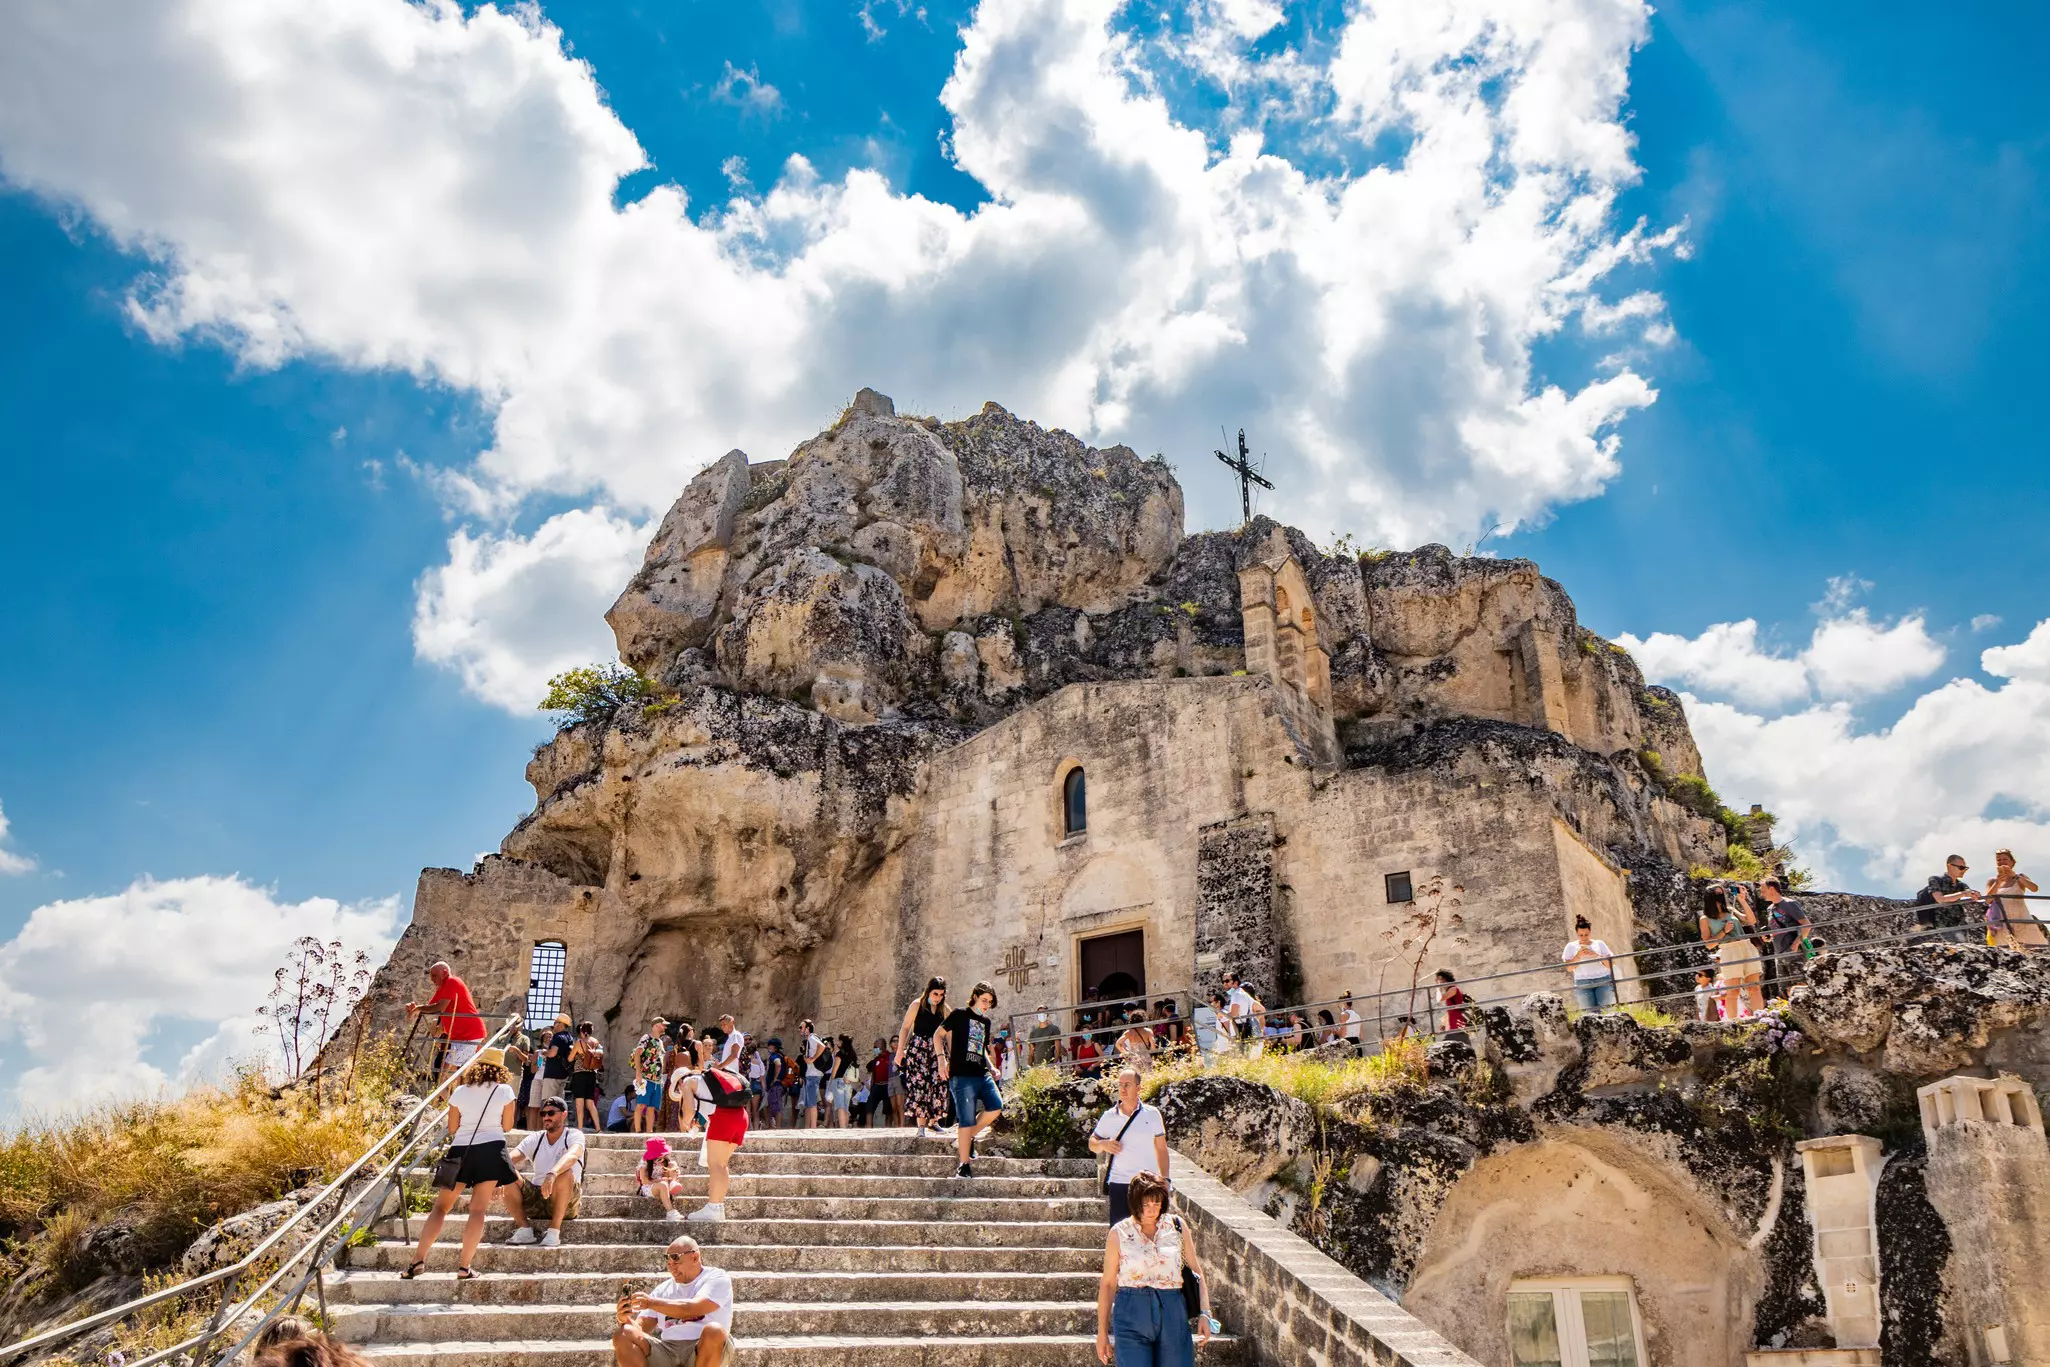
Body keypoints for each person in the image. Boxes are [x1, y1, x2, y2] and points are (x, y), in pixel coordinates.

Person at [400, 1048, 518, 1280]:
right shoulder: (505, 1091)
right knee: (478, 1210)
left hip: (461, 1150)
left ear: (476, 1067)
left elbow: (452, 1128)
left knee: (441, 1208)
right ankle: (464, 1267)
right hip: (492, 1149)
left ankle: (417, 1261)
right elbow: (506, 1127)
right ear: (500, 1070)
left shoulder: (461, 1092)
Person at [1095, 1170, 1212, 1367]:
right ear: (1134, 1202)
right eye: (1145, 1204)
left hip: (1172, 1308)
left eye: (1156, 1203)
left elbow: (1196, 1272)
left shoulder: (1176, 1226)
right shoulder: (1119, 1233)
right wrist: (1102, 1333)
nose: (1152, 1209)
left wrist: (1205, 1313)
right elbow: (1107, 1284)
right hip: (1131, 1310)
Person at [612, 1236, 733, 1367]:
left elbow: (692, 1309)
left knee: (714, 1331)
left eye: (676, 1263)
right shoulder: (663, 1289)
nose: (672, 1269)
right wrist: (624, 1319)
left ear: (695, 1257)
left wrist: (651, 1303)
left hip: (702, 1348)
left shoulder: (717, 1278)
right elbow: (641, 1328)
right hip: (668, 1350)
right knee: (623, 1333)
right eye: (669, 1264)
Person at [936, 981, 1004, 1178]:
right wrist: (942, 1061)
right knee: (965, 1119)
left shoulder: (986, 1022)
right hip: (961, 1075)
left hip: (981, 1073)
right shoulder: (959, 1014)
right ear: (975, 996)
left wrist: (991, 1067)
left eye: (990, 1002)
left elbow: (980, 1046)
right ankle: (963, 1165)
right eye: (984, 1000)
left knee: (996, 1106)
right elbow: (937, 1035)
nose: (986, 1005)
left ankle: (969, 1137)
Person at [671, 1055, 750, 1221]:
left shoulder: (687, 1083)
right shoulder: (705, 1079)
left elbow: (690, 1111)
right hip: (740, 1116)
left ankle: (713, 1207)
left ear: (678, 1082)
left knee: (715, 1165)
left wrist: (686, 1123)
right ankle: (717, 1207)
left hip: (723, 1117)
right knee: (721, 1164)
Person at [1090, 1067, 1169, 1225]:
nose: (1123, 1089)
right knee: (1121, 1234)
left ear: (1138, 1088)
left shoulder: (1152, 1114)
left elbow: (1161, 1148)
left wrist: (1165, 1179)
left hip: (1147, 1183)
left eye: (1127, 1085)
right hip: (1119, 1183)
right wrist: (1103, 1144)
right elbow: (1092, 1143)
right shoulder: (1109, 1116)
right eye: (1120, 1085)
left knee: (1149, 1231)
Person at [503, 1096, 585, 1245]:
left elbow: (573, 1155)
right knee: (505, 1170)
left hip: (566, 1202)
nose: (546, 1117)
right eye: (543, 1114)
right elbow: (511, 1158)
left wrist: (552, 1173)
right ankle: (524, 1230)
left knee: (566, 1173)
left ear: (564, 1114)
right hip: (538, 1197)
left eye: (551, 1113)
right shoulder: (536, 1137)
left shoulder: (573, 1135)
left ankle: (554, 1232)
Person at [406, 962, 489, 1078]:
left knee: (446, 1077)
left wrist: (419, 1008)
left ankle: (451, 1096)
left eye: (434, 975)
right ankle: (452, 1096)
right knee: (451, 1077)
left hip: (470, 1035)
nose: (432, 979)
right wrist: (415, 1008)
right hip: (460, 1036)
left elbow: (440, 1007)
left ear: (444, 972)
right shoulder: (442, 988)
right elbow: (431, 1007)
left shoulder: (452, 981)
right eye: (431, 976)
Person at [896, 978, 952, 1138]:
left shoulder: (944, 1009)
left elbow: (949, 1034)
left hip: (937, 1051)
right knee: (920, 1086)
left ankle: (934, 1121)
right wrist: (900, 1051)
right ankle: (921, 1126)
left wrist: (952, 1056)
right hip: (918, 1049)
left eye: (941, 994)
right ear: (928, 991)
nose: (938, 997)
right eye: (935, 993)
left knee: (939, 1084)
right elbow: (905, 1028)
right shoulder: (916, 1005)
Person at [1700, 887, 1763, 1018]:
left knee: (1754, 988)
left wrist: (1742, 901)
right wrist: (1724, 931)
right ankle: (1733, 1022)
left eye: (1721, 892)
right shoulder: (1705, 919)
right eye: (1717, 893)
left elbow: (1751, 920)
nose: (1720, 896)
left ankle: (1761, 1017)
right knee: (1733, 991)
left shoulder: (1730, 910)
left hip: (1746, 946)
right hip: (1729, 950)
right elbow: (1709, 944)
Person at [1758, 877, 1813, 995]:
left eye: (1763, 890)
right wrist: (1768, 936)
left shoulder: (1789, 904)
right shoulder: (1770, 909)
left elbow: (1807, 925)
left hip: (1793, 951)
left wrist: (1796, 943)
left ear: (1772, 889)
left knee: (1800, 986)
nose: (1761, 894)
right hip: (1779, 952)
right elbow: (1776, 928)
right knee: (1784, 990)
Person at [1986, 848, 2046, 951]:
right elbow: (1988, 900)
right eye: (1999, 860)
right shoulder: (1992, 881)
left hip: (2021, 918)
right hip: (2002, 920)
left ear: (2012, 862)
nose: (2001, 862)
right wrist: (1998, 883)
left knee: (2032, 949)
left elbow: (2034, 888)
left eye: (2005, 859)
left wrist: (2015, 876)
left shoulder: (2020, 877)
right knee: (2006, 951)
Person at [1914, 855, 1980, 944]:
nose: (1964, 870)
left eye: (1965, 868)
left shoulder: (1961, 885)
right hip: (1942, 924)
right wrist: (1963, 894)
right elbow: (1940, 899)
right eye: (1961, 868)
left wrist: (1974, 894)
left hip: (1959, 924)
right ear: (1949, 866)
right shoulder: (1935, 880)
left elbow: (1969, 893)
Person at [1561, 917, 1620, 1013]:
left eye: (1586, 935)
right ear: (1577, 934)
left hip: (1603, 980)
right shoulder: (1571, 946)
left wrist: (1596, 955)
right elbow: (1569, 968)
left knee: (1605, 1012)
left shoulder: (1599, 944)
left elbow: (1610, 964)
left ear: (1590, 932)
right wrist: (1578, 956)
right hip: (1583, 982)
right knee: (1589, 1014)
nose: (1584, 938)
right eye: (1581, 935)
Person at [631, 1020, 669, 1134]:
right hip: (645, 1077)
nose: (665, 1028)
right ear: (656, 1025)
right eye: (663, 1025)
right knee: (641, 1104)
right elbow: (638, 1052)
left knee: (652, 1107)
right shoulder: (646, 1038)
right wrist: (638, 1072)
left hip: (657, 1080)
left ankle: (649, 1131)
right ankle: (637, 1131)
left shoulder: (660, 1042)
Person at [535, 1012, 575, 1120]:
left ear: (561, 1025)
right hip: (560, 1074)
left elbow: (552, 1053)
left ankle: (547, 1125)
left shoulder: (557, 1037)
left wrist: (544, 1053)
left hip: (551, 1075)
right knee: (559, 1103)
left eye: (556, 1022)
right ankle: (560, 1124)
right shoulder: (569, 1038)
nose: (554, 1024)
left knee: (547, 1102)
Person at [638, 1136, 687, 1222]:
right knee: (663, 1185)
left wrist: (673, 1173)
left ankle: (673, 1183)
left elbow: (668, 1171)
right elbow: (644, 1180)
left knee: (672, 1164)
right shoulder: (645, 1161)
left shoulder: (666, 1160)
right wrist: (660, 1181)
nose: (661, 1158)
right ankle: (670, 1212)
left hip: (663, 1182)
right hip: (649, 1186)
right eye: (658, 1157)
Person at [571, 1021, 606, 1133]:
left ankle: (580, 1128)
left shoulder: (579, 1043)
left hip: (579, 1074)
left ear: (582, 1031)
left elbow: (570, 1058)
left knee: (579, 1102)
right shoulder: (595, 1042)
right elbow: (601, 1053)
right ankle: (598, 1128)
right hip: (591, 1074)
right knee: (590, 1103)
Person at [1221, 972, 1264, 1056]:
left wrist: (1222, 1015)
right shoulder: (1243, 993)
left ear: (1236, 982)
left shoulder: (1236, 995)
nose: (1224, 984)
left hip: (1245, 1030)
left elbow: (1233, 1014)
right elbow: (1262, 1009)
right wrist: (1253, 1020)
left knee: (1246, 1057)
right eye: (1223, 982)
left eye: (1227, 981)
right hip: (1252, 1029)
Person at [799, 1019, 830, 1129]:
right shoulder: (810, 1039)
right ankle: (810, 1127)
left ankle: (813, 1127)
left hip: (814, 1074)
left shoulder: (812, 1037)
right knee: (809, 1103)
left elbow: (822, 1047)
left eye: (801, 1027)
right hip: (810, 1074)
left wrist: (813, 1058)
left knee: (812, 1103)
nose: (800, 1030)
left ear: (807, 1028)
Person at [1434, 971, 1470, 1037]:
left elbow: (1440, 999)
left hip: (1458, 1023)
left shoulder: (1453, 989)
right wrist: (1444, 1023)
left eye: (1438, 979)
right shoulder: (1450, 990)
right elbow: (1451, 1008)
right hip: (1453, 1023)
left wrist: (1438, 988)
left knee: (1458, 1042)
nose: (1436, 981)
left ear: (1444, 979)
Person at [760, 1039, 786, 1128]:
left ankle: (777, 1128)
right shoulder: (781, 1056)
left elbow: (778, 1064)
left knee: (776, 1107)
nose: (768, 1047)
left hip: (775, 1086)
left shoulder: (774, 1056)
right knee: (769, 1106)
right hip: (777, 1086)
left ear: (774, 1047)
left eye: (770, 1046)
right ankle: (770, 1126)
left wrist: (775, 1079)